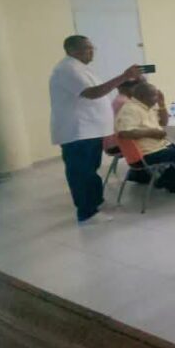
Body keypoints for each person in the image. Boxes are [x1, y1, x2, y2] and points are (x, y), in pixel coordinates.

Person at [49, 35, 142, 224]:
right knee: (81, 172)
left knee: (91, 169)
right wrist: (124, 77)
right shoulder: (67, 69)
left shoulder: (82, 68)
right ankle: (86, 212)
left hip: (91, 130)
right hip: (78, 131)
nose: (91, 52)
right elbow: (92, 93)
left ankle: (95, 202)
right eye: (87, 48)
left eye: (92, 48)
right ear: (72, 50)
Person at [115, 82, 175, 192]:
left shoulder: (147, 107)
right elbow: (124, 133)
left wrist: (162, 104)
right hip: (146, 154)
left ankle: (167, 180)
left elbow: (164, 122)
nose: (157, 98)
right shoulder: (130, 109)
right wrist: (152, 133)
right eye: (154, 96)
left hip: (157, 147)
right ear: (143, 96)